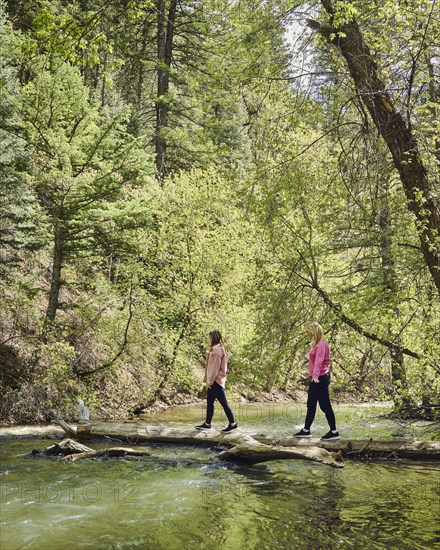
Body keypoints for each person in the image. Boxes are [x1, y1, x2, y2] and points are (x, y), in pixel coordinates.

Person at [293, 322, 340, 440]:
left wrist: (315, 377)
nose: (307, 334)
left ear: (314, 331)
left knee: (324, 405)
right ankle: (306, 430)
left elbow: (319, 361)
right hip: (317, 377)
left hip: (320, 378)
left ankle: (334, 432)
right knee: (311, 404)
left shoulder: (321, 344)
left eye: (308, 331)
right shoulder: (317, 343)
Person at [195, 330, 238, 433]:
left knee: (224, 403)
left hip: (216, 381)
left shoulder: (217, 351)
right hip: (214, 381)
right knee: (210, 402)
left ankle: (233, 424)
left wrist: (209, 382)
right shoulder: (216, 349)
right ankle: (207, 424)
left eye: (210, 337)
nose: (208, 339)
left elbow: (214, 369)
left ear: (214, 338)